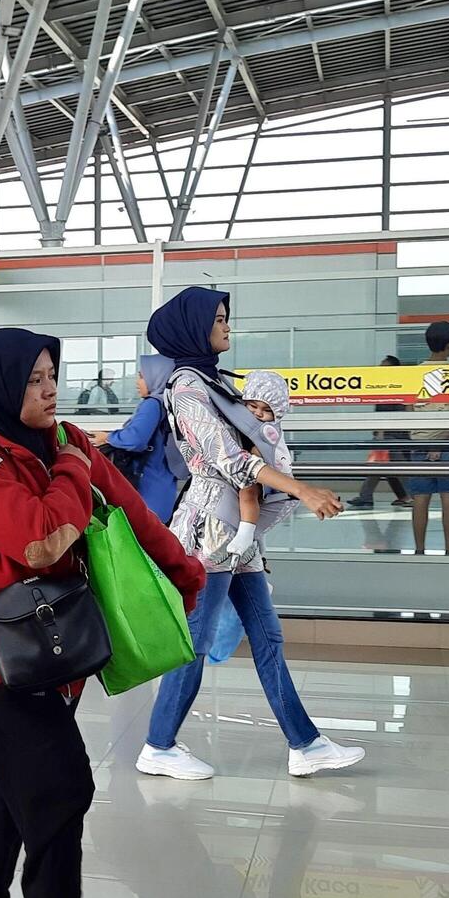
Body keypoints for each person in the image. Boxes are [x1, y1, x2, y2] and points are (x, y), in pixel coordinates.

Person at [0, 327, 202, 898]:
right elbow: (42, 538)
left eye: (51, 373)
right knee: (62, 786)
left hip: (61, 643)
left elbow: (130, 509)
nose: (51, 387)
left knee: (19, 777)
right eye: (33, 380)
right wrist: (71, 466)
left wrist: (181, 570)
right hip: (0, 656)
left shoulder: (63, 443)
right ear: (0, 387)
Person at [140, 289, 362, 782]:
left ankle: (305, 744)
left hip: (240, 529)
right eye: (219, 320)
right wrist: (302, 490)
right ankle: (158, 744)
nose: (227, 328)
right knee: (194, 642)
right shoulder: (188, 388)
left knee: (268, 638)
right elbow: (232, 460)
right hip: (211, 530)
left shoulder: (213, 381)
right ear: (192, 328)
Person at [86, 355, 185, 521]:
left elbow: (135, 439)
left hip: (147, 487)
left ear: (156, 377)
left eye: (141, 376)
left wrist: (107, 437)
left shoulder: (152, 404)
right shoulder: (169, 403)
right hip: (164, 486)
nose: (136, 382)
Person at [407, 321, 449, 554]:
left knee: (420, 498)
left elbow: (408, 412)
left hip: (420, 444)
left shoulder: (414, 374)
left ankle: (419, 550)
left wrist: (428, 442)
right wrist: (440, 443)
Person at [349, 355, 412, 508]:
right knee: (385, 467)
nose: (380, 370)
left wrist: (382, 434)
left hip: (394, 436)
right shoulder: (382, 387)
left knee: (389, 466)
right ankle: (404, 496)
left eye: (384, 367)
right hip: (385, 435)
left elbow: (403, 411)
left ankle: (410, 496)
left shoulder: (399, 386)